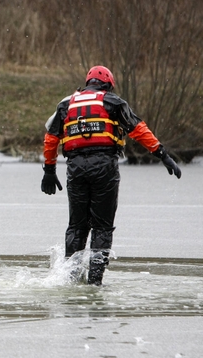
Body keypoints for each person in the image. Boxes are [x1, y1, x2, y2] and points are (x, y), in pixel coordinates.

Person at [40, 65, 182, 285]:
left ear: (87, 83)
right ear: (107, 84)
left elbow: (51, 138)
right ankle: (95, 282)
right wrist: (162, 154)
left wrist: (49, 170)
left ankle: (69, 278)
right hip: (104, 166)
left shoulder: (66, 104)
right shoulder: (113, 102)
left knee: (77, 225)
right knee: (102, 226)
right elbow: (138, 129)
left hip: (75, 168)